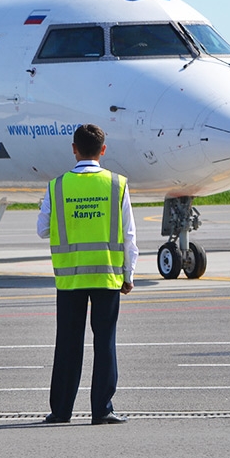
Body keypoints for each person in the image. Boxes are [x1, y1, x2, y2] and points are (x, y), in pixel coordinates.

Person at [37, 123, 138, 425]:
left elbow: (42, 230)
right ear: (103, 150)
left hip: (70, 279)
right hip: (107, 276)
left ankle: (61, 411)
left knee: (68, 343)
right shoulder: (117, 184)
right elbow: (129, 234)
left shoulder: (57, 186)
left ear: (74, 149)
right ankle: (102, 409)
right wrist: (128, 274)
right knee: (104, 342)